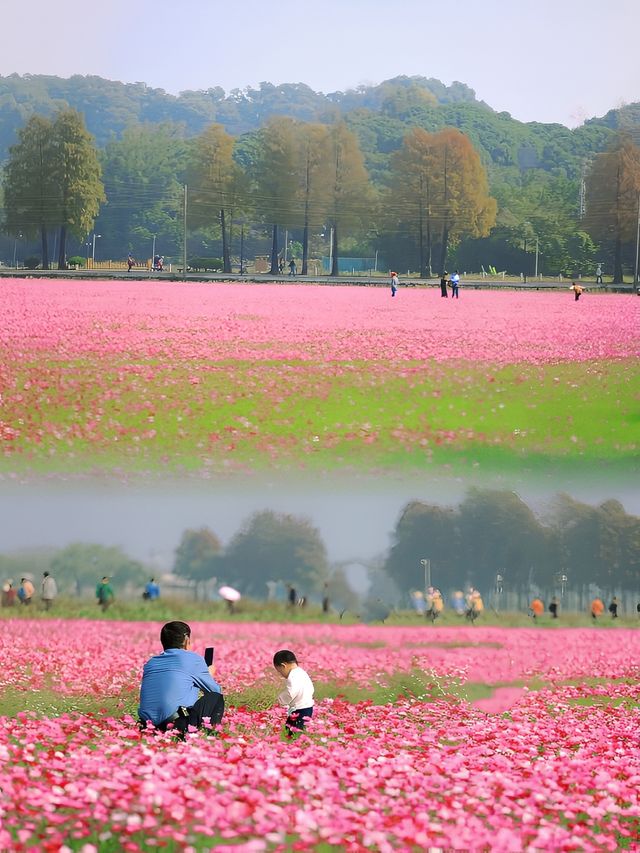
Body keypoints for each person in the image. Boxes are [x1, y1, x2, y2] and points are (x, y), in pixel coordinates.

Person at [139, 621, 224, 734]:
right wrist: (209, 675)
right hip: (176, 723)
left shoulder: (151, 663)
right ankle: (211, 735)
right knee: (215, 697)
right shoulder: (193, 659)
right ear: (187, 640)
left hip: (147, 725)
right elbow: (214, 690)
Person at [273, 649, 314, 735]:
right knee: (295, 731)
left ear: (283, 666)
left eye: (280, 671)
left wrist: (280, 699)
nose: (281, 675)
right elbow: (311, 688)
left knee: (291, 733)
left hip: (299, 710)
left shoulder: (293, 676)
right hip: (308, 708)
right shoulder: (302, 672)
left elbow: (291, 692)